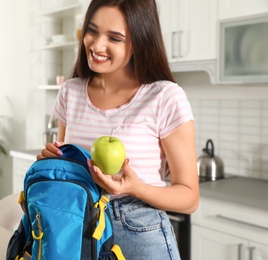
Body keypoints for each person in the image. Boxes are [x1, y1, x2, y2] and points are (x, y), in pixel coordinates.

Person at [37, 0, 199, 259]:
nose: (97, 45)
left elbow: (189, 198)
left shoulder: (164, 96)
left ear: (139, 41)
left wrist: (135, 188)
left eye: (114, 38)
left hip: (139, 232)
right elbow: (69, 170)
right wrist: (53, 163)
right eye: (92, 31)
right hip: (80, 228)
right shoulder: (71, 92)